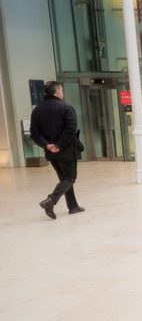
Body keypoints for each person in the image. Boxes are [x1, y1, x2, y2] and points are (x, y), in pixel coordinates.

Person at [30, 81, 85, 219]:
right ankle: (51, 200)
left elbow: (34, 133)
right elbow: (71, 130)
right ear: (57, 91)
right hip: (66, 150)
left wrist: (47, 145)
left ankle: (73, 206)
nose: (62, 91)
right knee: (70, 178)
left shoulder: (37, 110)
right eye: (61, 89)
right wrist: (59, 145)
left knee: (64, 179)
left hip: (51, 152)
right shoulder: (66, 107)